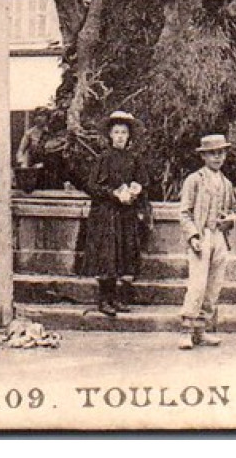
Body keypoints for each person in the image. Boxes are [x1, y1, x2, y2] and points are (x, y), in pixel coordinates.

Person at [76, 111, 150, 317]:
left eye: (124, 132)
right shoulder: (103, 159)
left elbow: (143, 182)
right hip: (106, 214)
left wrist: (136, 190)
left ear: (129, 136)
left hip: (126, 213)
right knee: (107, 255)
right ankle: (104, 299)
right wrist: (113, 194)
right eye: (116, 132)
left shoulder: (134, 159)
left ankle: (116, 298)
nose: (120, 136)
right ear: (109, 135)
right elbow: (91, 186)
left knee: (122, 255)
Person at [177, 134, 236, 350]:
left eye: (221, 152)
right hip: (202, 236)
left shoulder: (227, 183)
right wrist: (193, 236)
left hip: (219, 237)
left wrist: (230, 219)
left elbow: (233, 210)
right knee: (198, 284)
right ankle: (186, 330)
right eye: (213, 153)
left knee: (214, 285)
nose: (217, 157)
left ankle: (201, 331)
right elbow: (184, 213)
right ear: (203, 156)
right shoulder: (194, 180)